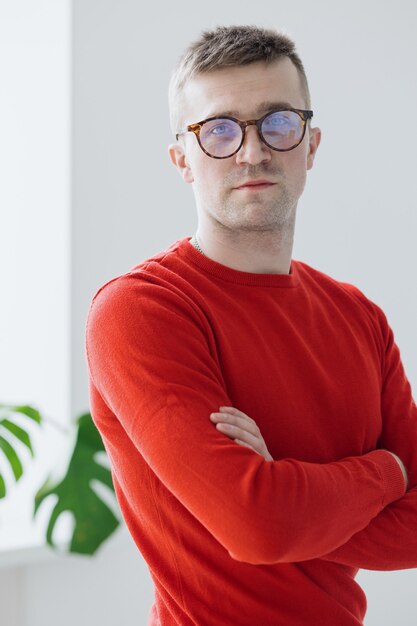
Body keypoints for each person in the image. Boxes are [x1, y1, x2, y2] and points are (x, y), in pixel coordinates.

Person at [85, 25, 417, 626]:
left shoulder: (360, 318)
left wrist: (284, 495)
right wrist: (387, 472)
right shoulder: (142, 310)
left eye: (278, 123)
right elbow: (258, 528)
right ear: (182, 159)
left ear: (310, 145)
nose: (252, 150)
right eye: (219, 130)